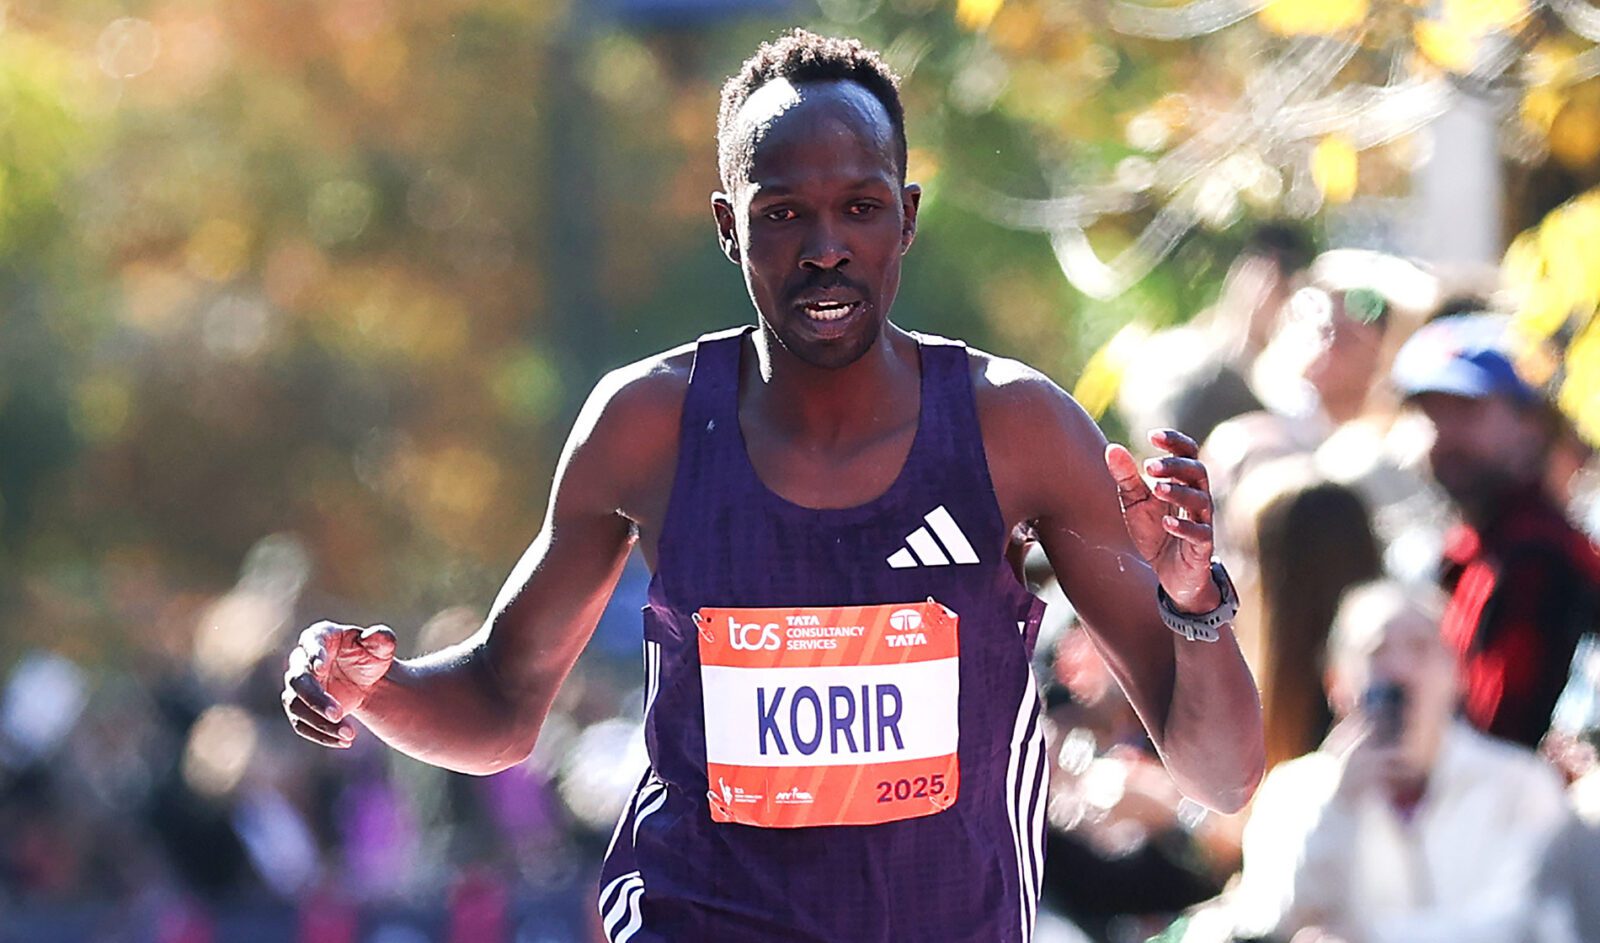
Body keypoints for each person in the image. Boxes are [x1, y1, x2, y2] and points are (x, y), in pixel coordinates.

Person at [279, 30, 1264, 942]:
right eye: (783, 213)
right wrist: (373, 689)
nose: (825, 247)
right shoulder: (648, 425)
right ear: (728, 225)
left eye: (859, 207)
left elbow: (1220, 775)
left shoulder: (1016, 430)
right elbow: (502, 705)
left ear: (906, 216)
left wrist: (1192, 600)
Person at [1229, 580, 1570, 943]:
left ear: (1458, 675)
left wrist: (1374, 938)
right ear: (1336, 682)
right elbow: (1268, 922)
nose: (1399, 670)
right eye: (1376, 652)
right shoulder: (1294, 793)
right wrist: (1337, 808)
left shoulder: (1521, 784)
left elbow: (1535, 921)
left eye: (1421, 648)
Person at [1391, 313, 1600, 748]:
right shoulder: (1472, 549)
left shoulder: (1538, 559)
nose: (1443, 434)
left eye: (1466, 410)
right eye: (1431, 412)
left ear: (1532, 424)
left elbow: (1500, 738)